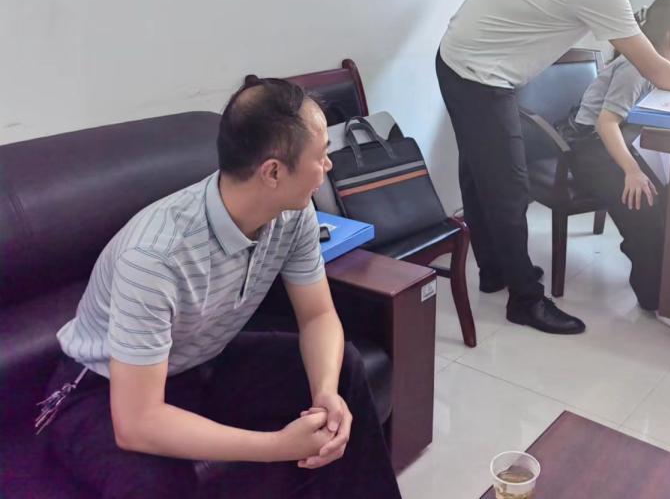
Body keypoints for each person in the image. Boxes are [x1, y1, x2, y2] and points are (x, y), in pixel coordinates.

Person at [40, 78, 402, 499]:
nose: (328, 165)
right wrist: (277, 446)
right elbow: (137, 422)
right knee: (152, 485)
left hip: (196, 362)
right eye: (320, 155)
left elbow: (318, 315)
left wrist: (324, 392)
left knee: (344, 371)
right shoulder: (154, 258)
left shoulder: (293, 213)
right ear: (273, 171)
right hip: (102, 391)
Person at [436, 0, 670, 335]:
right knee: (508, 185)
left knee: (479, 172)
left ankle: (495, 270)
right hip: (477, 74)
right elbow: (653, 66)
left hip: (458, 58)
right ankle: (524, 299)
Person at [568, 0, 670, 315]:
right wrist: (632, 171)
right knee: (643, 201)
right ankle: (655, 298)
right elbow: (606, 124)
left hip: (628, 140)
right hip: (592, 147)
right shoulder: (635, 67)